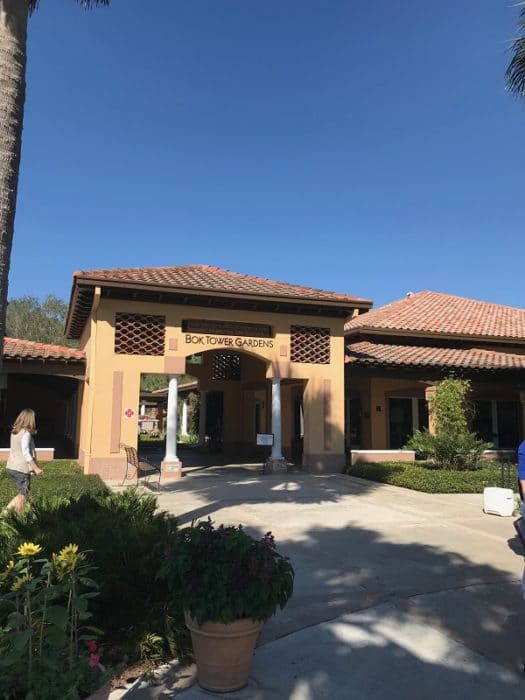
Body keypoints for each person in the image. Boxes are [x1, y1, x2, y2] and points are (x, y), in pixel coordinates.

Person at [5, 409, 43, 513]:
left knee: (23, 493)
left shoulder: (15, 432)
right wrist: (35, 468)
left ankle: (6, 513)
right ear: (30, 420)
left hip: (12, 466)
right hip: (20, 469)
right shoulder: (26, 434)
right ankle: (16, 517)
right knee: (24, 495)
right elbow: (26, 453)